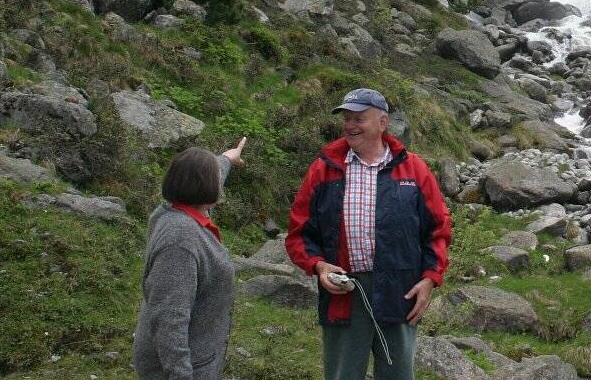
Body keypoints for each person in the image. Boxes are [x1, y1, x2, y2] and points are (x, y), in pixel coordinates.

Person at [286, 88, 451, 380]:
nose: (350, 125)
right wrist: (319, 266)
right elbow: (299, 233)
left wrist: (429, 279)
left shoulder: (414, 169)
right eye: (347, 118)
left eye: (359, 118)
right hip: (343, 292)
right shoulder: (324, 169)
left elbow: (438, 231)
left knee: (398, 374)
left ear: (383, 122)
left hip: (400, 290)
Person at [133, 138, 248, 380]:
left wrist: (228, 158)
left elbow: (212, 171)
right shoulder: (180, 240)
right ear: (205, 188)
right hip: (179, 368)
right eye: (214, 178)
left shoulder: (174, 211)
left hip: (195, 360)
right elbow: (169, 319)